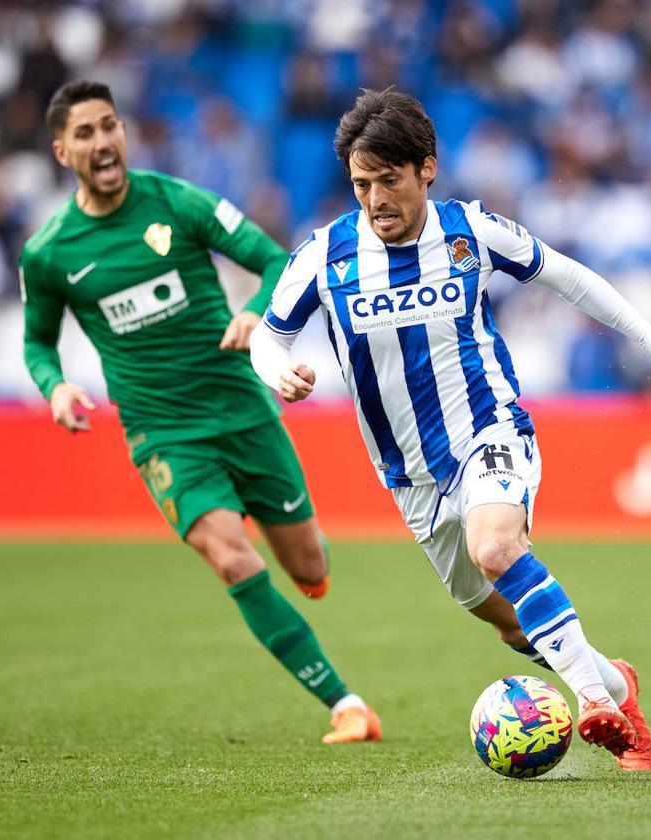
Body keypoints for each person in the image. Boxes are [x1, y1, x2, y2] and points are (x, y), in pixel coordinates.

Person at [251, 88, 651, 770]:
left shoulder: (470, 232)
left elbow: (569, 277)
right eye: (362, 184)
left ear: (427, 169)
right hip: (409, 477)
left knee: (497, 547)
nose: (375, 200)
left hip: (488, 430)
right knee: (508, 621)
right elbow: (268, 338)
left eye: (389, 180)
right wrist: (279, 372)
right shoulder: (325, 255)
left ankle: (594, 701)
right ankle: (622, 687)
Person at [20, 80, 381, 744]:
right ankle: (346, 704)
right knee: (234, 560)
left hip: (241, 409)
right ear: (61, 151)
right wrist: (56, 388)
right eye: (85, 133)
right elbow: (37, 341)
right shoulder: (48, 253)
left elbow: (276, 261)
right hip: (164, 433)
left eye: (109, 126)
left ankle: (305, 567)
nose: (102, 141)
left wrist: (255, 314)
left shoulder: (177, 203)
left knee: (309, 567)